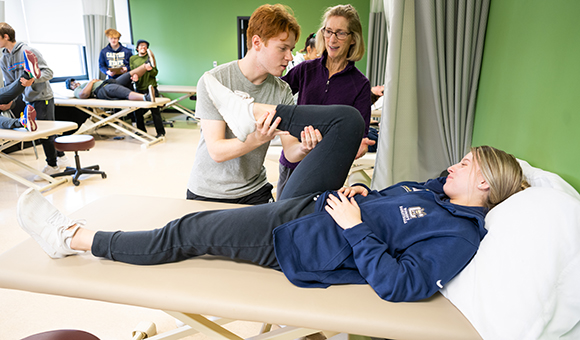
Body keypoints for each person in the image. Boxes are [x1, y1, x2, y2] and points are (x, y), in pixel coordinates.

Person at [17, 97, 529, 302]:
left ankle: (74, 238)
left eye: (467, 164)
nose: (455, 165)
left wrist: (355, 226)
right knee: (348, 122)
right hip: (321, 203)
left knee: (188, 231)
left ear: (484, 184)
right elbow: (390, 209)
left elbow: (400, 283)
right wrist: (363, 195)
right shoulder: (436, 193)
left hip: (303, 237)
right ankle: (252, 113)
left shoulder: (458, 234)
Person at [187, 4, 322, 205]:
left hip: (255, 189)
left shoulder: (282, 91)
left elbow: (291, 152)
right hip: (209, 191)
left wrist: (304, 147)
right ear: (257, 42)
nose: (290, 57)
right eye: (283, 48)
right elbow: (216, 151)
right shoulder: (215, 80)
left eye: (291, 49)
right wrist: (257, 138)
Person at [277, 5, 373, 198]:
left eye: (340, 33)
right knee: (282, 218)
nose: (332, 39)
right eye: (328, 31)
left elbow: (358, 134)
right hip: (294, 160)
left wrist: (359, 146)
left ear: (353, 38)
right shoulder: (305, 70)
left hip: (327, 169)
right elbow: (275, 92)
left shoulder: (360, 84)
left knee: (315, 221)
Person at [0, 22, 66, 179]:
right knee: (41, 131)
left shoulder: (28, 50)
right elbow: (9, 84)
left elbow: (49, 72)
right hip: (26, 97)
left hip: (42, 96)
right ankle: (61, 157)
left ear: (6, 36)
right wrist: (11, 102)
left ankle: (53, 165)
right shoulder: (3, 58)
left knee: (45, 133)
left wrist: (33, 80)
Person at [129, 39, 165, 138]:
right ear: (137, 48)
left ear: (147, 49)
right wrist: (134, 78)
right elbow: (133, 72)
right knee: (138, 112)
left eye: (145, 46)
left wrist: (149, 70)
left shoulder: (150, 58)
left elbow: (155, 73)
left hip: (151, 87)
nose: (143, 47)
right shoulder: (133, 59)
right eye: (141, 45)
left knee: (155, 111)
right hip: (139, 88)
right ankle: (141, 130)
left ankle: (161, 133)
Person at [66, 63, 155, 103]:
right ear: (71, 88)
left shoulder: (83, 84)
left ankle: (146, 65)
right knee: (117, 89)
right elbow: (83, 95)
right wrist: (92, 82)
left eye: (75, 82)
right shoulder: (77, 90)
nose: (76, 84)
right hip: (101, 90)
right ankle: (146, 97)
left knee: (127, 75)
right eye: (72, 84)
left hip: (108, 82)